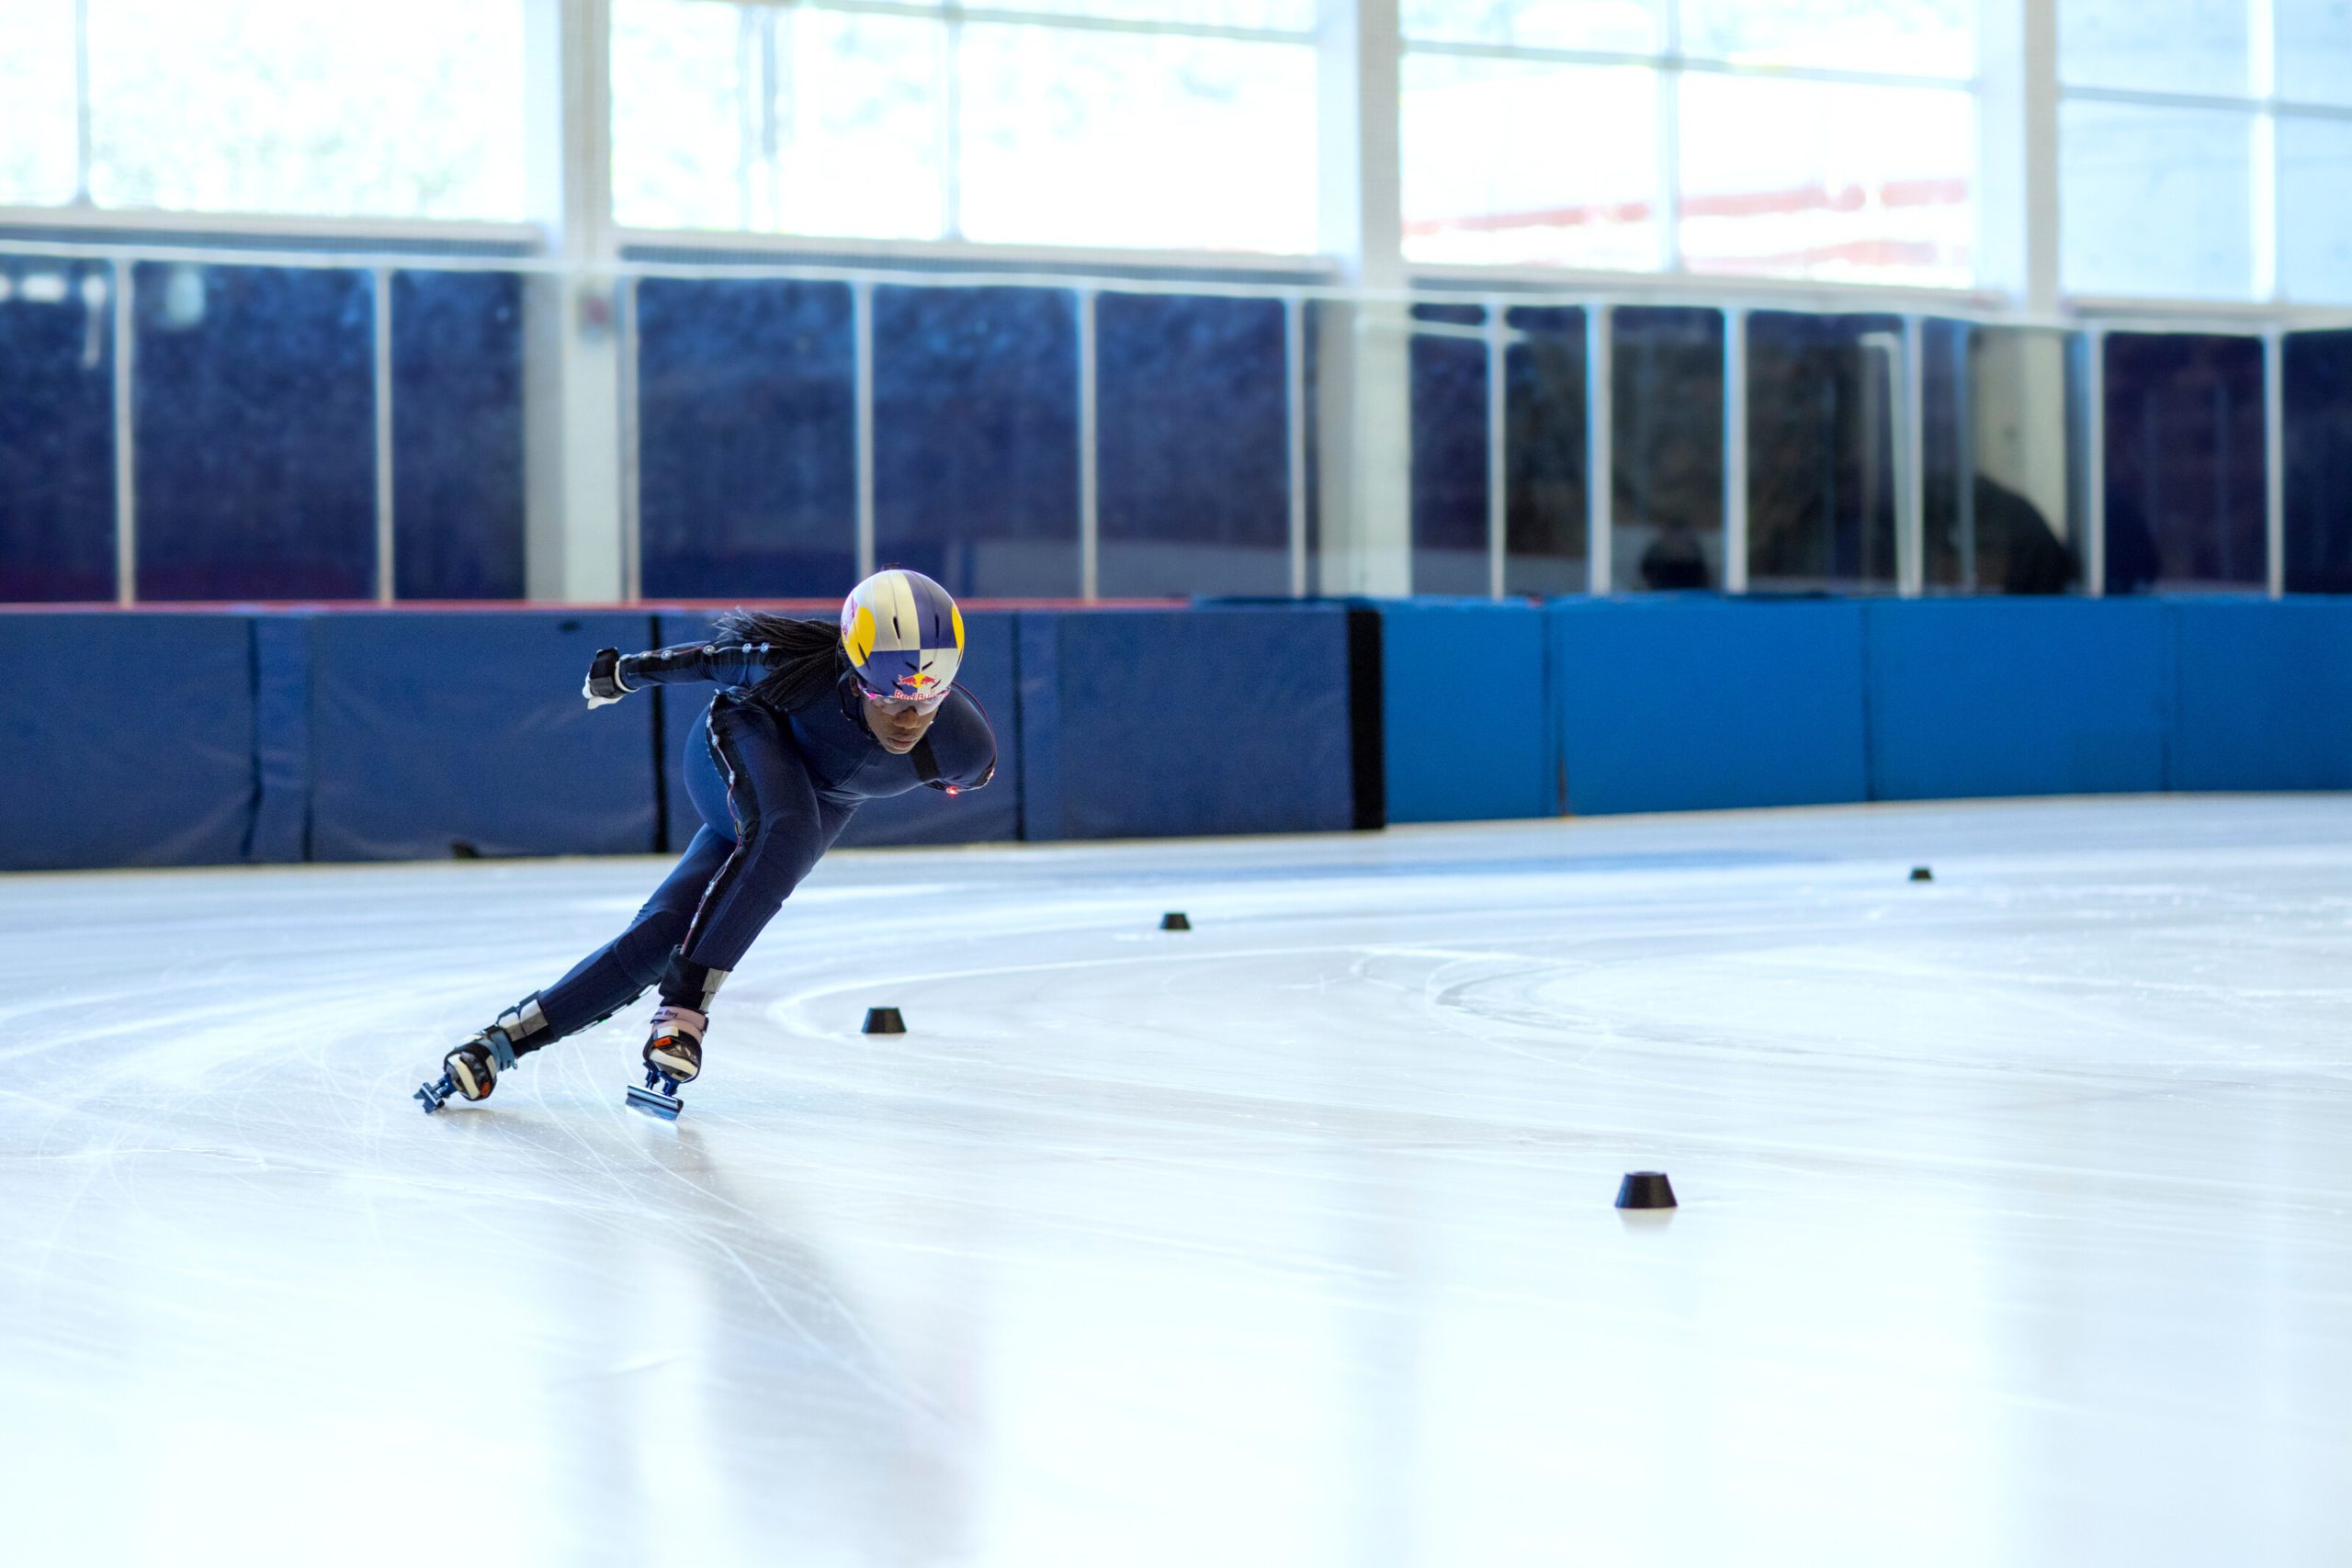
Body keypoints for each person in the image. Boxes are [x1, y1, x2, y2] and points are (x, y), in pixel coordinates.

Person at [417, 569, 995, 1115]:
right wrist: (622, 674)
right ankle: (684, 1011)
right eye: (887, 696)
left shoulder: (965, 748)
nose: (908, 717)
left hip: (818, 804)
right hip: (745, 739)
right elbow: (708, 661)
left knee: (669, 930)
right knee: (786, 831)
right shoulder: (792, 670)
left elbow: (928, 760)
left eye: (927, 698)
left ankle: (501, 1043)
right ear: (851, 667)